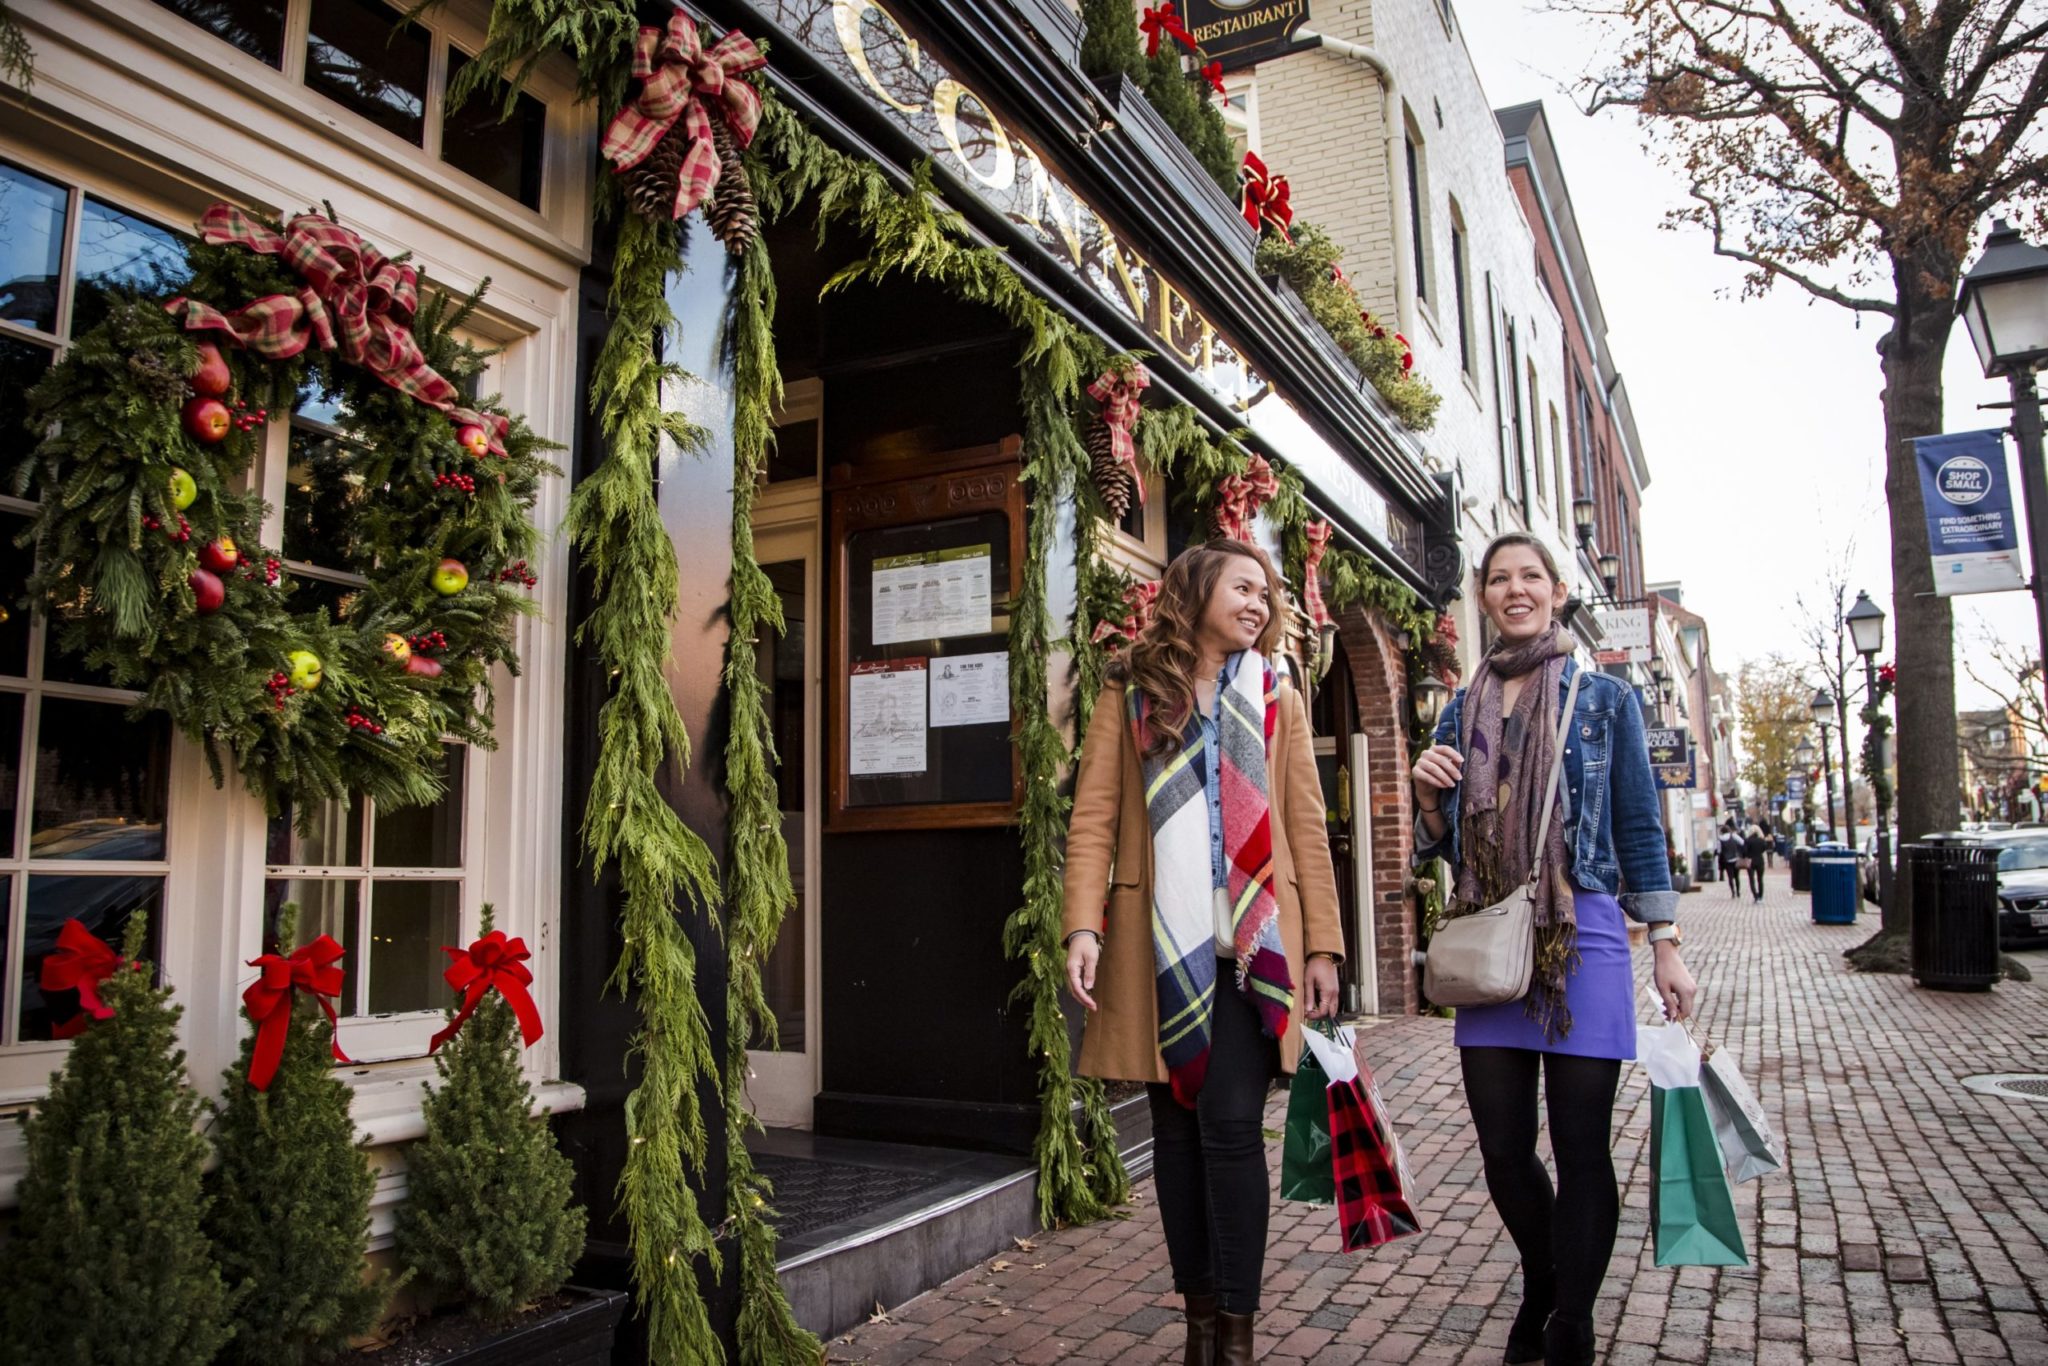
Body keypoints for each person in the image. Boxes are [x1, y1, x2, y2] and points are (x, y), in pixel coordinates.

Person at [1410, 532, 1697, 1366]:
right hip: (1492, 932)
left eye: (1530, 576)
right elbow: (1446, 846)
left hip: (1587, 935)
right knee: (1504, 1150)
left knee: (1580, 1148)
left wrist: (1665, 942)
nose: (1515, 589)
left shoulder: (1606, 699)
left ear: (1556, 590)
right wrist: (1426, 801)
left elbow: (1638, 825)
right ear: (1484, 598)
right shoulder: (1459, 709)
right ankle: (1542, 1280)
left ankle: (1572, 1321)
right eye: (1499, 578)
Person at [1063, 538, 1344, 1366]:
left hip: (1255, 950)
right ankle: (1199, 1322)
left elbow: (1306, 827)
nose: (1259, 604)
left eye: (1267, 593)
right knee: (1176, 1138)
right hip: (1158, 950)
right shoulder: (1131, 691)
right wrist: (1082, 926)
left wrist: (1324, 946)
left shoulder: (1277, 696)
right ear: (1194, 591)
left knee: (1228, 1127)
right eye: (1243, 588)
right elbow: (1094, 816)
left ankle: (1237, 1335)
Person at [1718, 823, 1744, 899]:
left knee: (1730, 877)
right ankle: (1738, 891)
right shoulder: (1733, 836)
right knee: (1737, 876)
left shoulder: (1720, 839)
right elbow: (1742, 842)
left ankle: (1733, 892)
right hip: (1735, 858)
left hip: (1727, 860)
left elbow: (1719, 851)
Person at [1743, 823, 1768, 901]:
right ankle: (1760, 895)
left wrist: (1747, 855)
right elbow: (1764, 848)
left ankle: (1755, 895)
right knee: (1760, 879)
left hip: (1750, 861)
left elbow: (1744, 852)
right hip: (1760, 860)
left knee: (1751, 879)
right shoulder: (1761, 840)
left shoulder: (1747, 840)